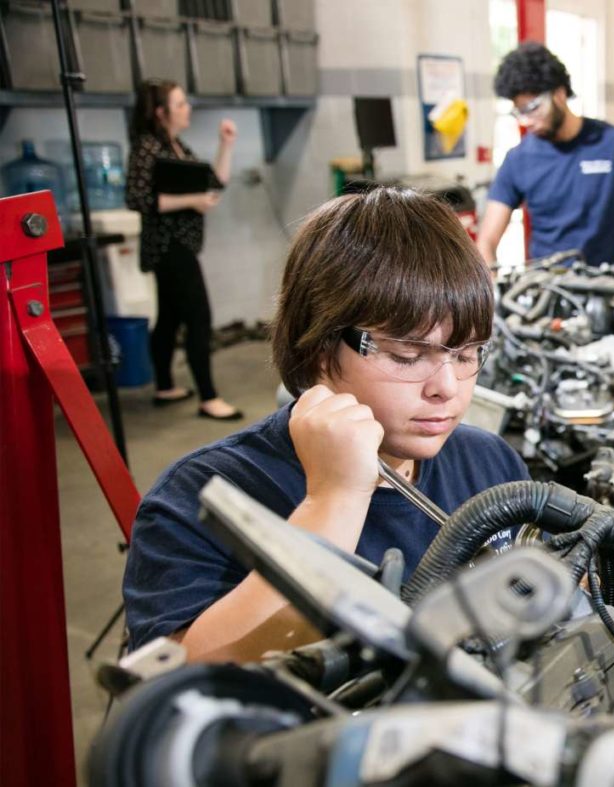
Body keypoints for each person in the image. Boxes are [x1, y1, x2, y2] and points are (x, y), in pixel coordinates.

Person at [122, 187, 530, 662]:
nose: (447, 386)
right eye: (406, 355)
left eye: (465, 354)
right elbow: (174, 684)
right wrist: (332, 501)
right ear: (317, 347)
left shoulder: (488, 463)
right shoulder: (202, 496)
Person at [476, 42, 614, 271]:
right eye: (518, 112)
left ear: (559, 94)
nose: (525, 121)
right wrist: (491, 289)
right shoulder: (518, 160)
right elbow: (486, 240)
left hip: (608, 291)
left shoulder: (613, 144)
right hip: (547, 290)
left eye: (532, 108)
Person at [126, 78, 242, 420]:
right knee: (198, 317)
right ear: (160, 113)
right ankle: (209, 397)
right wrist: (193, 200)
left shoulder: (177, 146)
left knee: (169, 319)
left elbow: (214, 182)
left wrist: (226, 145)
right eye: (179, 104)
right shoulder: (147, 148)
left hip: (182, 244)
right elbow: (137, 198)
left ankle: (165, 386)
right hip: (168, 247)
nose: (186, 108)